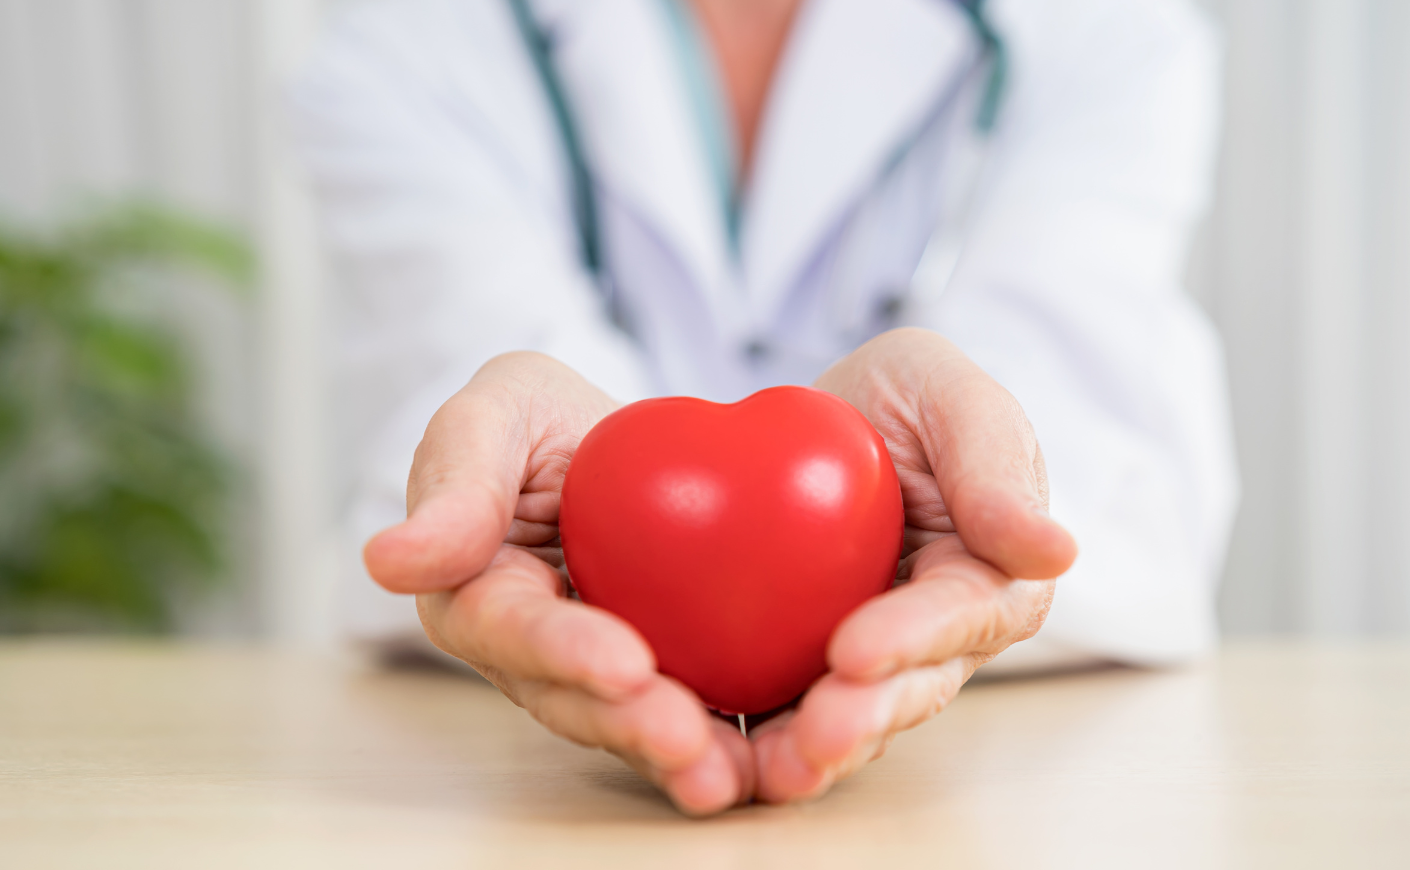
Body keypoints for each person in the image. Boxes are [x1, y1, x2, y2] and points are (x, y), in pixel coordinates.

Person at [292, 0, 1238, 815]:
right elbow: (458, 414)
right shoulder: (413, 32)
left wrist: (958, 465)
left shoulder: (1097, 24)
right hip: (492, 775)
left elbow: (1085, 424)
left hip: (1037, 777)